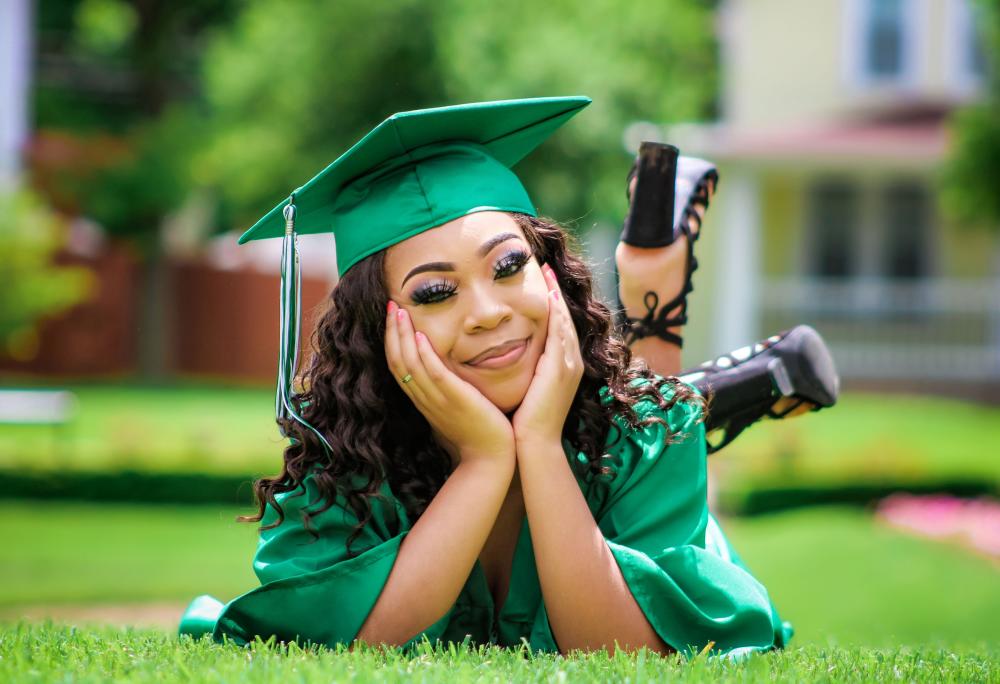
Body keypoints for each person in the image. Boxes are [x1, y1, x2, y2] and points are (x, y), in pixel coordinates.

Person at [177, 96, 794, 657]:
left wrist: (543, 446)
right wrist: (484, 460)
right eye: (437, 292)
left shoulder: (650, 432)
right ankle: (662, 297)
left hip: (626, 432)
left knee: (651, 408)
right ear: (373, 328)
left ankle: (655, 291)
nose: (489, 312)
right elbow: (348, 652)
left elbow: (629, 657)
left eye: (508, 265)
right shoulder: (342, 464)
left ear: (551, 272)